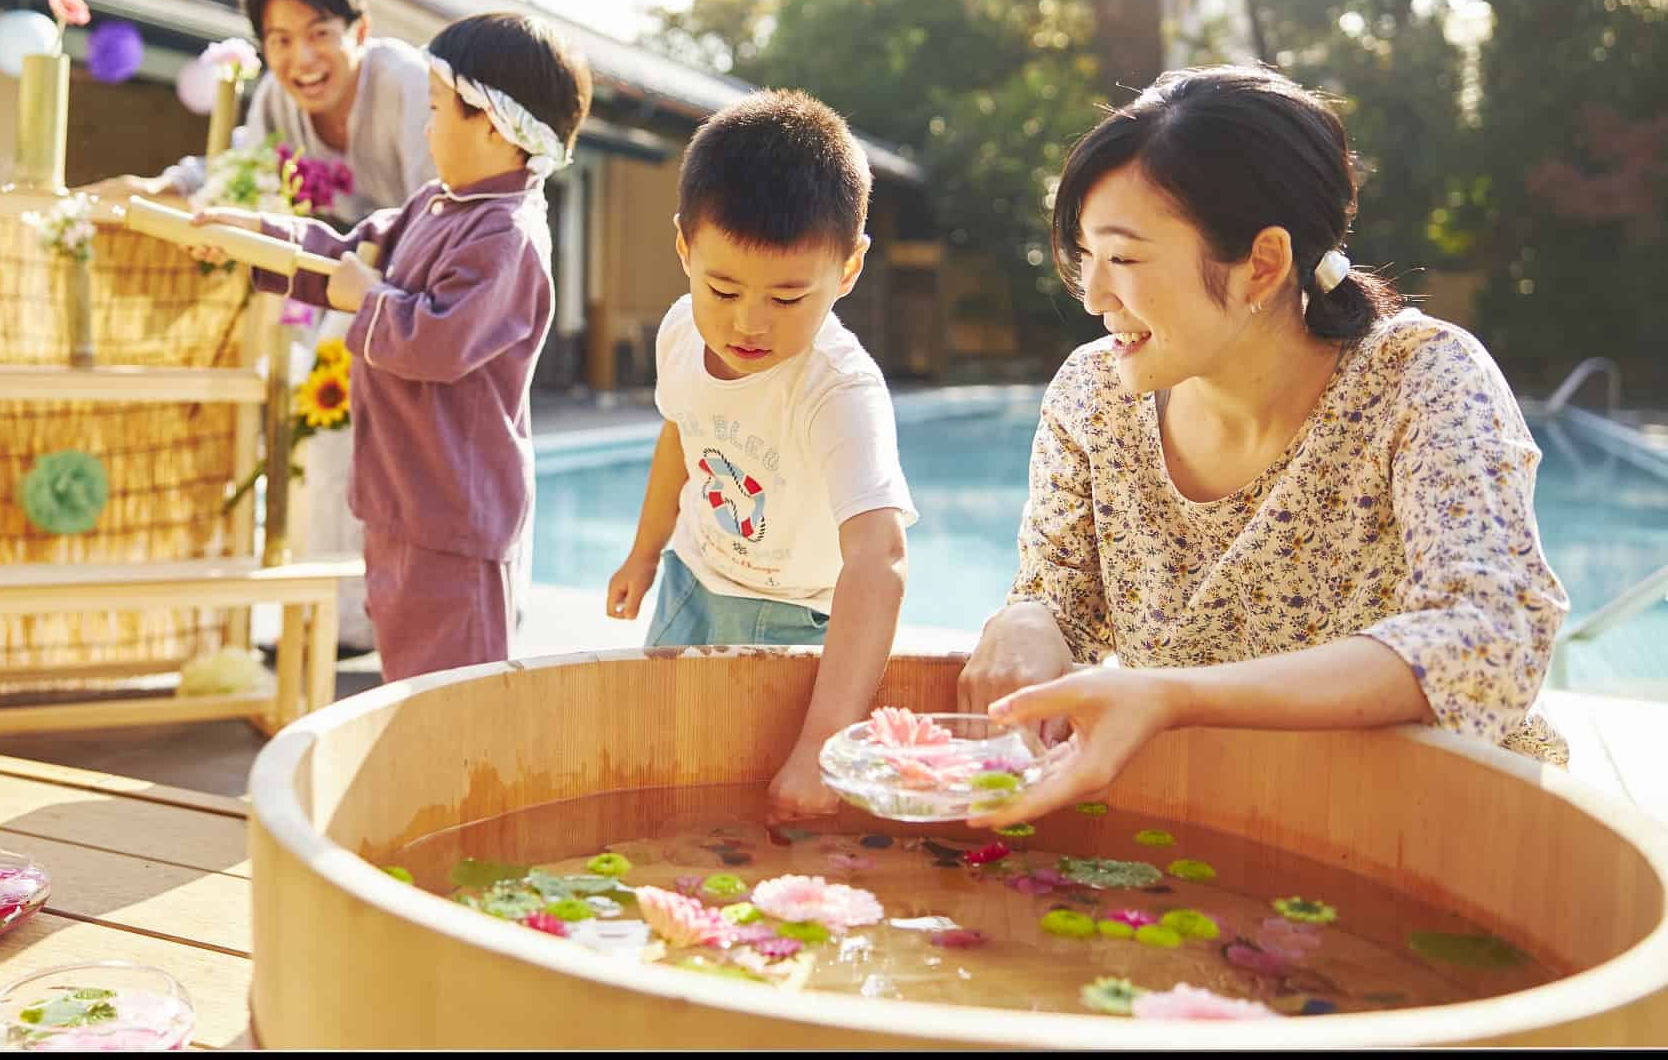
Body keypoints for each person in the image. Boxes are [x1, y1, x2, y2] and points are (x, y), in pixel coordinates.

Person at [958, 65, 1570, 830]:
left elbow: (1491, 636)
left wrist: (1173, 696)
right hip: (1229, 827)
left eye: (1125, 257)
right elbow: (1060, 600)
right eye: (1085, 255)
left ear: (1264, 263)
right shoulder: (1095, 396)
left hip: (1448, 834)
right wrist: (1031, 618)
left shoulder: (1421, 380)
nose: (1092, 295)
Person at [193, 12, 592, 681]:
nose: (427, 127)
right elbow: (343, 254)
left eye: (437, 110)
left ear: (494, 126)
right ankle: (418, 782)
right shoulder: (436, 206)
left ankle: (457, 787)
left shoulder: (507, 235)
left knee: (452, 692)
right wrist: (249, 234)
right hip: (401, 499)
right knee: (406, 678)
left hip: (456, 516)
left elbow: (436, 339)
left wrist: (365, 299)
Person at [104, 0, 436, 655]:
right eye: (279, 40)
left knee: (430, 460)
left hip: (428, 288)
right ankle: (335, 610)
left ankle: (391, 610)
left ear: (360, 29)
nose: (302, 57)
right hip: (340, 285)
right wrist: (161, 188)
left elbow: (438, 216)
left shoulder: (409, 84)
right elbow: (235, 170)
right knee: (307, 423)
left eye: (319, 32)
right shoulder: (276, 100)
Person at [604, 91, 917, 820]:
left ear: (847, 270)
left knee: (758, 803)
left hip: (792, 621)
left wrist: (823, 745)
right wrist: (646, 553)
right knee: (666, 773)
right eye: (723, 286)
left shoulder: (838, 389)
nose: (748, 322)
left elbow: (880, 557)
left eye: (787, 297)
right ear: (685, 248)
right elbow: (681, 434)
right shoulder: (683, 331)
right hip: (691, 582)